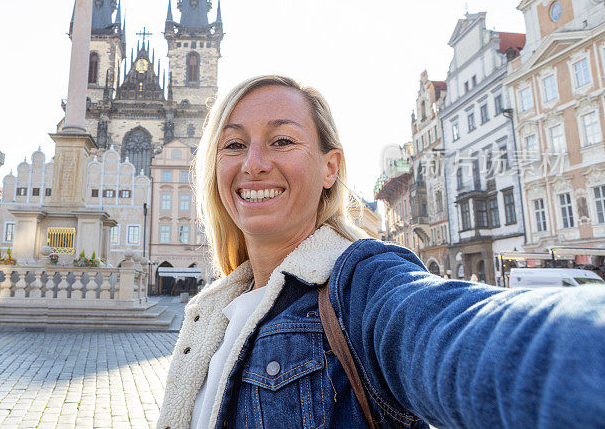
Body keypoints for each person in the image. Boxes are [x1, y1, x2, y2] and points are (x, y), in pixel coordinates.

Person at [156, 75, 605, 429]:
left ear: (330, 168)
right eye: (233, 144)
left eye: (282, 141)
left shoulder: (359, 284)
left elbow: (464, 335)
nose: (253, 162)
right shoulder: (215, 310)